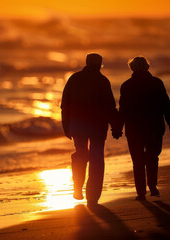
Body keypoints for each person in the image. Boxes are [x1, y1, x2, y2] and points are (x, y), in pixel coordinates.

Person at [114, 56, 170, 200]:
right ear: (147, 67)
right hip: (154, 127)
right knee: (152, 157)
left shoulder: (127, 86)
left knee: (137, 161)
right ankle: (153, 186)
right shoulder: (156, 83)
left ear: (132, 68)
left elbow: (123, 110)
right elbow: (166, 106)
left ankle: (141, 193)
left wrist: (117, 128)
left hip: (134, 129)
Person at [61, 53, 121, 205]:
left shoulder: (74, 79)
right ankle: (92, 196)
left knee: (81, 154)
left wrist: (66, 126)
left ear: (87, 63)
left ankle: (77, 187)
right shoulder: (102, 81)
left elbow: (64, 105)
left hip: (77, 126)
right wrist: (116, 127)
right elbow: (110, 107)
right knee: (96, 159)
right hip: (97, 127)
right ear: (100, 65)